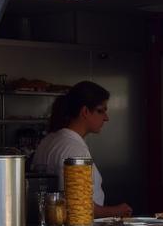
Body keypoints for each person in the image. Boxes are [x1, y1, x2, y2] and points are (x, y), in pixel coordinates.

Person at [32, 80, 132, 218]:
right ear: (85, 111)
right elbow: (78, 206)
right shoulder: (74, 150)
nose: (106, 118)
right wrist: (116, 211)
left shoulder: (49, 140)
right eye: (100, 111)